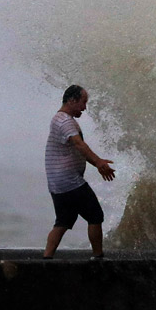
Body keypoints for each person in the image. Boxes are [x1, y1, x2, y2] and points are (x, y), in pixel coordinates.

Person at [43, 85, 115, 260]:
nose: (84, 107)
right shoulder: (65, 121)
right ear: (71, 100)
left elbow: (78, 150)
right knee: (95, 215)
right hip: (69, 182)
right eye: (83, 102)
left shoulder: (60, 119)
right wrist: (98, 162)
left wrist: (97, 163)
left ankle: (46, 259)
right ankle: (98, 258)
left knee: (63, 221)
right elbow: (79, 145)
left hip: (58, 183)